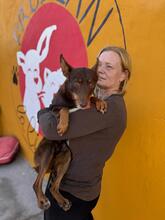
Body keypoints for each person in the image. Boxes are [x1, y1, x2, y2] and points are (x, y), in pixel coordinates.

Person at [38, 46, 132, 220]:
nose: (100, 70)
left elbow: (50, 128)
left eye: (109, 66)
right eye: (100, 64)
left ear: (123, 75)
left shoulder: (109, 109)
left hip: (73, 192)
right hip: (79, 186)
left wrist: (41, 113)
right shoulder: (96, 100)